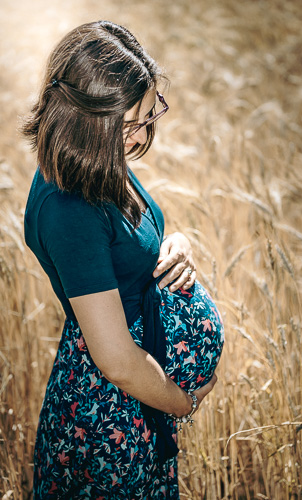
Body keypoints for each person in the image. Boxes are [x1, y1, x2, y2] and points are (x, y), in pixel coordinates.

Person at [23, 20, 224, 499]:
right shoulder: (69, 208)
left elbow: (132, 240)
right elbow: (115, 360)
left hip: (135, 408)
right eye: (130, 124)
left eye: (150, 117)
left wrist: (176, 244)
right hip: (110, 421)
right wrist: (182, 401)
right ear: (87, 118)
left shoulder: (99, 164)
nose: (141, 137)